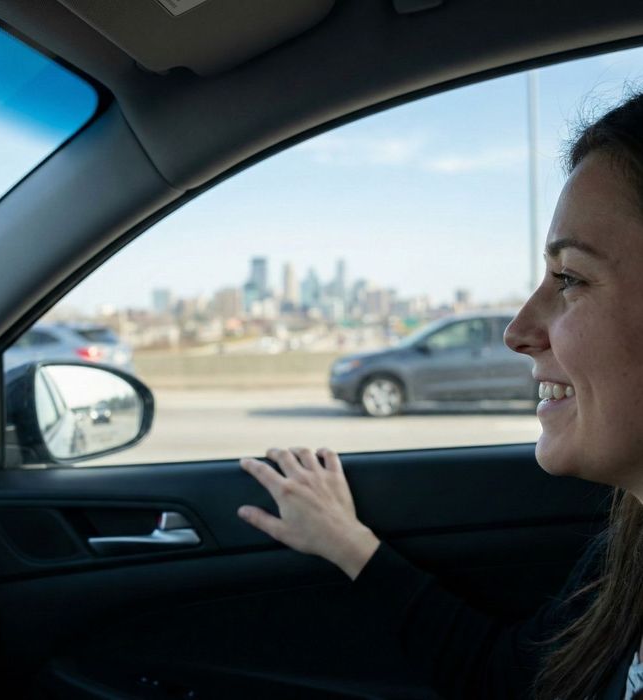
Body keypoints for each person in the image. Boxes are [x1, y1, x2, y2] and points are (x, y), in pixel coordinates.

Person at [236, 91, 643, 700]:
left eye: (571, 279)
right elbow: (517, 678)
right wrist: (349, 543)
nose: (517, 332)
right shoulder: (633, 539)